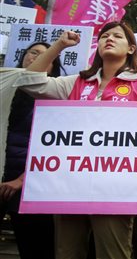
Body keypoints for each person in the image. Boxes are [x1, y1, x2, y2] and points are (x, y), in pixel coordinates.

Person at [16, 21, 137, 259]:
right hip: (69, 184)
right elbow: (27, 82)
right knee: (67, 252)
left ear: (131, 49)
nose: (109, 39)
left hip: (116, 187)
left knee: (112, 253)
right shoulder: (76, 82)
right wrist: (59, 46)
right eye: (105, 36)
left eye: (117, 36)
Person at [0, 42, 65, 259]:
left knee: (36, 247)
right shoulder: (5, 89)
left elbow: (56, 146)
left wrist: (21, 179)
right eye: (33, 53)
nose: (36, 58)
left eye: (46, 55)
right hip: (3, 172)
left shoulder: (56, 98)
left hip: (32, 184)